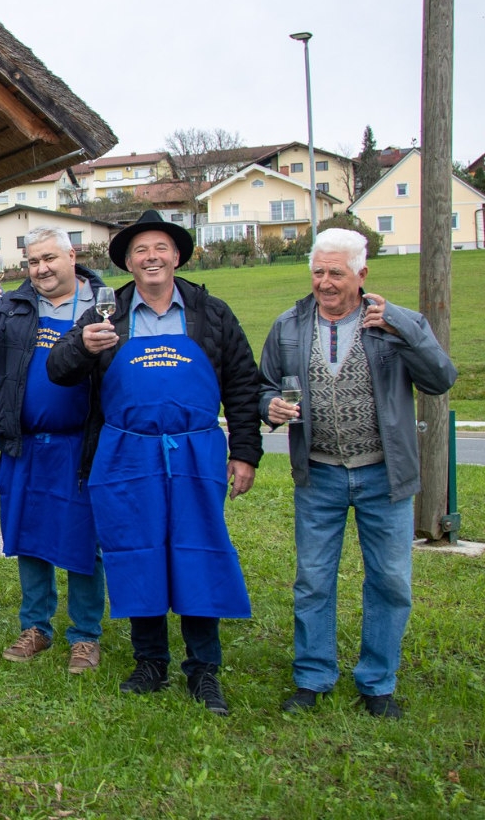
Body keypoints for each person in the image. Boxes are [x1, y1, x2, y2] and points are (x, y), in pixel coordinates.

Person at [48, 210, 261, 716]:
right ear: (127, 261)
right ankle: (150, 662)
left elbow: (243, 384)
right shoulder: (108, 311)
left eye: (160, 248)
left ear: (178, 255)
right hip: (126, 454)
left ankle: (203, 669)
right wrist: (81, 344)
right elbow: (58, 369)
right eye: (140, 250)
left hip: (194, 452)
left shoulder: (211, 312)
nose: (151, 257)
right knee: (137, 551)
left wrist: (245, 452)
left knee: (197, 550)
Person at [261, 228, 456, 719]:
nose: (325, 283)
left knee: (390, 581)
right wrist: (272, 406)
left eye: (336, 273)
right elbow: (261, 387)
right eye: (318, 272)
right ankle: (312, 677)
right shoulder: (288, 325)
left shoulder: (394, 322)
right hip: (320, 474)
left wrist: (404, 329)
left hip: (383, 476)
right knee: (313, 580)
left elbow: (440, 379)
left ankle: (377, 682)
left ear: (362, 275)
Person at [0, 226, 108, 673]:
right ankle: (36, 627)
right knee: (29, 536)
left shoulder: (103, 305)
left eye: (49, 258)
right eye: (32, 261)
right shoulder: (14, 306)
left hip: (81, 445)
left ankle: (85, 635)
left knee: (84, 540)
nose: (41, 269)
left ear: (72, 255)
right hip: (25, 443)